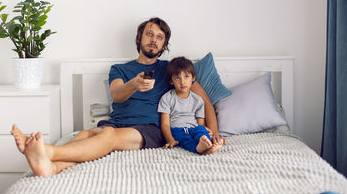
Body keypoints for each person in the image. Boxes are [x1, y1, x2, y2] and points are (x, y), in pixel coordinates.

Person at [11, 17, 225, 177]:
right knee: (86, 134)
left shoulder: (171, 70)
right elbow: (116, 95)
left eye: (160, 37)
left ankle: (46, 151)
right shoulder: (120, 69)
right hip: (118, 122)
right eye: (150, 34)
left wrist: (213, 134)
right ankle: (52, 166)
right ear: (139, 38)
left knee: (108, 137)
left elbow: (204, 101)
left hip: (149, 128)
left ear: (164, 45)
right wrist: (134, 84)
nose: (154, 40)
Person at [158, 57, 224, 154]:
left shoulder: (198, 100)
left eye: (186, 76)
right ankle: (199, 149)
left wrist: (206, 130)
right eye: (177, 78)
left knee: (201, 130)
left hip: (194, 128)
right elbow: (165, 124)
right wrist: (170, 140)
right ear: (171, 81)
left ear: (193, 78)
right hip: (177, 129)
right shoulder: (167, 98)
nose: (182, 81)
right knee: (185, 139)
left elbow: (200, 123)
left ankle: (206, 143)